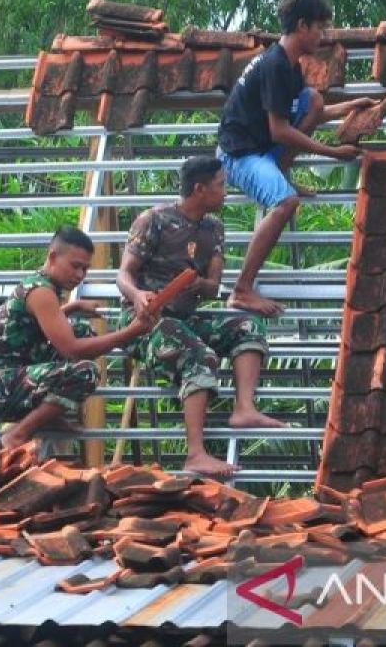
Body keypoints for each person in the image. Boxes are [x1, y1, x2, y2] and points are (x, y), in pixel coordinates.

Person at [116, 156, 284, 477]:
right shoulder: (153, 220)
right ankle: (196, 454)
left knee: (245, 324)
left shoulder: (214, 228)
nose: (225, 192)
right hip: (145, 322)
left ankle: (244, 408)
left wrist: (196, 283)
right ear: (199, 189)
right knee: (198, 354)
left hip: (185, 317)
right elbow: (123, 275)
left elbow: (212, 288)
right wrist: (138, 296)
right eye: (220, 185)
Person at [217, 0, 376, 316]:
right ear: (302, 26)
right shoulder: (274, 66)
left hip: (263, 148)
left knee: (315, 99)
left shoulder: (288, 65)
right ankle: (242, 289)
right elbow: (280, 130)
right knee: (286, 201)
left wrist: (351, 105)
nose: (322, 35)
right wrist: (333, 153)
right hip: (239, 155)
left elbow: (308, 111)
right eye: (319, 28)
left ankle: (281, 174)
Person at [0, 225, 156, 450]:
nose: (80, 275)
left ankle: (49, 417)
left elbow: (40, 324)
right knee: (86, 372)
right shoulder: (41, 292)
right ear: (53, 257)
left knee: (81, 330)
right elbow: (71, 349)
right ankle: (17, 434)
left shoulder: (42, 285)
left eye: (85, 269)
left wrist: (74, 307)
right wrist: (131, 332)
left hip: (13, 377)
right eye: (75, 266)